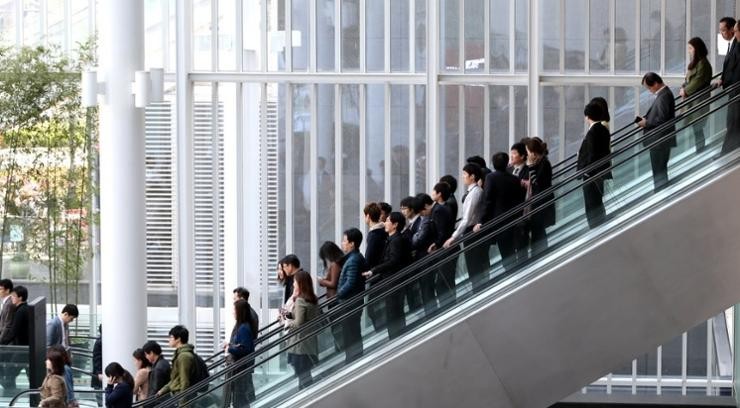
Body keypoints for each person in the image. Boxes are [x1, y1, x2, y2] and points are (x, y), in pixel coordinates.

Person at [363, 212, 412, 340]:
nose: (385, 223)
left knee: (393, 313)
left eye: (388, 220)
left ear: (395, 225)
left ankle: (396, 339)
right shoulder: (392, 239)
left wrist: (374, 270)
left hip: (392, 281)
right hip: (390, 281)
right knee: (392, 312)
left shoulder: (396, 240)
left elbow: (393, 260)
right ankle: (396, 337)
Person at [475, 153, 526, 277]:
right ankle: (515, 273)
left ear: (493, 164)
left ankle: (511, 276)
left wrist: (481, 221)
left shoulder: (491, 178)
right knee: (510, 250)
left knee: (505, 252)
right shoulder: (514, 179)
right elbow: (520, 198)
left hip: (498, 221)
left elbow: (488, 200)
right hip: (512, 219)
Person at [281, 270, 321, 389]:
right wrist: (289, 315)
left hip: (299, 345)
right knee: (305, 375)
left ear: (300, 283)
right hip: (309, 344)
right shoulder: (312, 298)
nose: (293, 284)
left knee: (303, 377)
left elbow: (299, 322)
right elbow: (304, 318)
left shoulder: (300, 300)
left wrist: (286, 322)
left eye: (294, 282)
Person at [637, 72, 676, 192]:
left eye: (649, 87)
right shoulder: (664, 94)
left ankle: (661, 193)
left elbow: (662, 120)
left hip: (660, 141)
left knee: (659, 171)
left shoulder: (664, 96)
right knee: (659, 171)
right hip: (660, 141)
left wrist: (646, 123)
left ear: (655, 83)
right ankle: (661, 192)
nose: (649, 90)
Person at [578, 101, 613, 229]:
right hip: (599, 173)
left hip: (591, 175)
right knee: (597, 203)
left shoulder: (593, 132)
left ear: (587, 117)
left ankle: (595, 229)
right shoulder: (603, 129)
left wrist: (585, 170)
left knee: (591, 205)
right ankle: (600, 227)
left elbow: (592, 154)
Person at [336, 228, 366, 363]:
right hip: (351, 301)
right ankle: (353, 357)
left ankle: (353, 359)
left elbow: (351, 281)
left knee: (350, 333)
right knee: (351, 332)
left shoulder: (353, 260)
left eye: (344, 241)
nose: (342, 244)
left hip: (350, 302)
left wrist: (339, 294)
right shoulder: (354, 258)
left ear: (352, 244)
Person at [679, 37, 713, 152]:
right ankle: (699, 150)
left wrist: (685, 90)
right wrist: (683, 87)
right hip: (693, 101)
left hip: (699, 101)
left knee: (698, 128)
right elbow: (689, 80)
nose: (689, 51)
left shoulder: (703, 63)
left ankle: (700, 151)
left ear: (697, 49)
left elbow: (697, 81)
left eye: (690, 48)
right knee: (696, 128)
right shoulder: (697, 63)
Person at [524, 138, 555, 254]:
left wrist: (531, 166)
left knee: (539, 229)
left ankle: (540, 254)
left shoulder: (543, 163)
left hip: (541, 202)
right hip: (538, 201)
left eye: (527, 151)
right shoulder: (540, 163)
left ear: (532, 152)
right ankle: (539, 253)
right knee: (537, 230)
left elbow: (537, 182)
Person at [225, 299, 257, 407]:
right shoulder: (243, 326)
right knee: (240, 399)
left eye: (234, 310)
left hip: (241, 369)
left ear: (239, 311)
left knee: (240, 399)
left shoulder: (243, 328)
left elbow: (245, 349)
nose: (233, 312)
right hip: (240, 368)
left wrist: (229, 348)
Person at [428, 183, 456, 306]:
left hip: (444, 249)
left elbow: (441, 231)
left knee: (443, 283)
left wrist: (436, 243)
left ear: (439, 194)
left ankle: (448, 307)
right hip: (446, 248)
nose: (432, 193)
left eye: (434, 191)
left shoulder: (439, 209)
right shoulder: (442, 207)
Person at [1, 285, 29, 392]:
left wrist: (2, 342)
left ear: (20, 298)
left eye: (13, 296)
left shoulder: (20, 311)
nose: (11, 298)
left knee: (9, 372)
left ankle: (11, 393)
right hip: (23, 347)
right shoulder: (24, 309)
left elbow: (13, 331)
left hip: (22, 349)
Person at [719, 19, 740, 153]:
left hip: (737, 92)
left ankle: (726, 154)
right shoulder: (734, 45)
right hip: (734, 91)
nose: (721, 33)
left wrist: (727, 81)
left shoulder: (738, 47)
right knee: (732, 123)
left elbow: (735, 70)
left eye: (736, 31)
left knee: (733, 124)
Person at [155, 325, 194, 397]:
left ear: (178, 339)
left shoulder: (184, 356)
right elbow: (176, 379)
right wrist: (163, 390)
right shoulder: (179, 354)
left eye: (171, 337)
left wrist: (183, 404)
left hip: (180, 397)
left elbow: (184, 381)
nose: (169, 340)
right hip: (177, 395)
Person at [507, 143, 530, 262]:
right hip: (508, 212)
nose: (511, 156)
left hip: (521, 212)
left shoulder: (527, 170)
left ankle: (523, 264)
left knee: (521, 244)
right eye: (511, 153)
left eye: (514, 153)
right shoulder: (508, 169)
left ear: (522, 156)